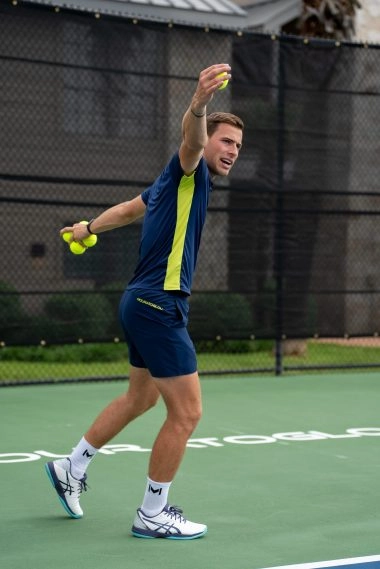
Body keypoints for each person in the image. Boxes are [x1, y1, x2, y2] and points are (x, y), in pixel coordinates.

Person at [45, 63, 244, 540]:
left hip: (139, 302)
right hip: (159, 304)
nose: (232, 151)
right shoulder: (187, 169)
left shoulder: (164, 186)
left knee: (141, 397)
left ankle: (70, 468)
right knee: (188, 413)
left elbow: (128, 210)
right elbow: (191, 141)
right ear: (207, 141)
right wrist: (197, 105)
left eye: (238, 145)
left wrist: (87, 229)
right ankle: (153, 512)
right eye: (226, 141)